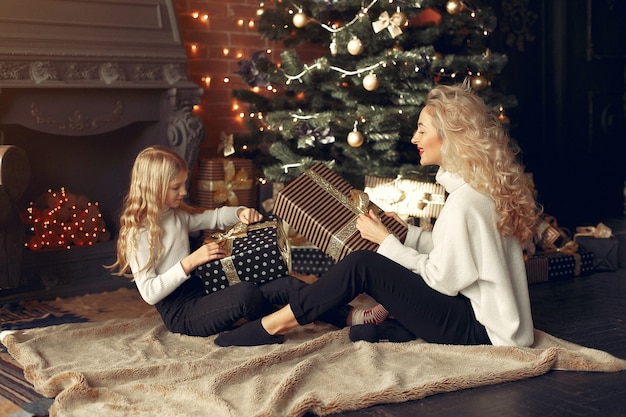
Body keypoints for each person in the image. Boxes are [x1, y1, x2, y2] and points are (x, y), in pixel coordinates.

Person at [215, 82, 540, 347]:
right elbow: (459, 254)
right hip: (488, 321)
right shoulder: (480, 190)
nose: (415, 139)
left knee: (364, 264)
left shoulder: (464, 203)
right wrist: (406, 234)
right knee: (377, 266)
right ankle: (387, 328)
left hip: (480, 331)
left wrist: (387, 243)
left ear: (451, 137)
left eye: (422, 130)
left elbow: (442, 281)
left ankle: (273, 325)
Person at [107, 146, 354, 337]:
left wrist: (240, 212)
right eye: (176, 187)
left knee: (284, 283)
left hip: (204, 290)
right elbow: (150, 294)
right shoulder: (137, 232)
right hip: (182, 312)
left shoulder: (176, 215)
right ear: (154, 187)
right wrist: (191, 261)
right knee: (246, 293)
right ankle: (274, 324)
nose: (183, 192)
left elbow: (215, 216)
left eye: (183, 184)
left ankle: (351, 317)